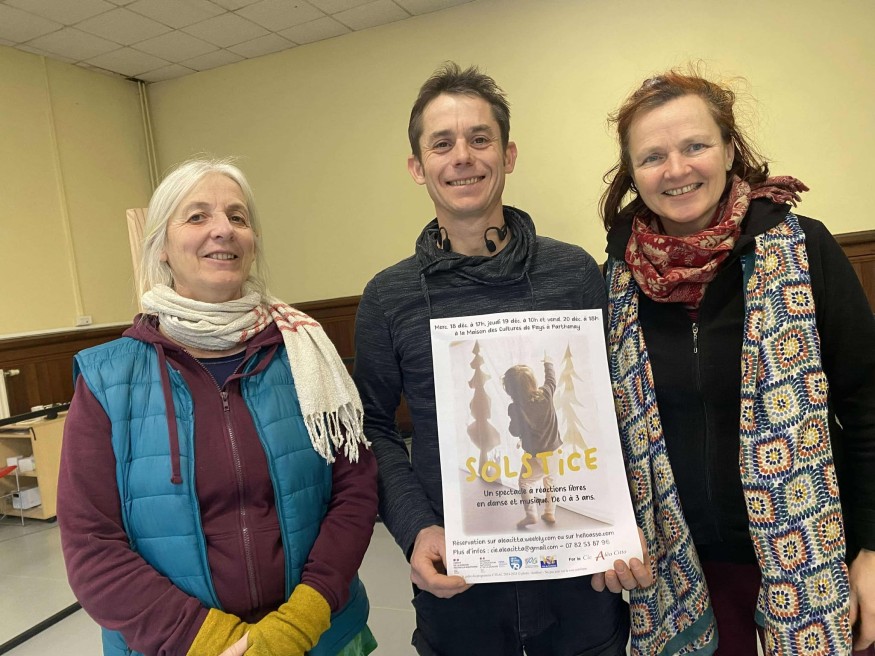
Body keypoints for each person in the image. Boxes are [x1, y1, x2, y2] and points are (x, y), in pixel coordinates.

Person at [353, 62, 651, 656]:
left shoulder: (574, 274)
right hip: (460, 585)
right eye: (442, 144)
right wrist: (415, 529)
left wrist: (626, 521)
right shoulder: (389, 296)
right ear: (417, 167)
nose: (462, 157)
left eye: (479, 139)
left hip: (581, 580)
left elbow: (621, 406)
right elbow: (372, 426)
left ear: (508, 155)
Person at [601, 69, 875, 655]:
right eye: (653, 156)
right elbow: (598, 432)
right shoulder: (615, 281)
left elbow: (868, 404)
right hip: (677, 572)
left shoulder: (803, 248)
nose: (676, 169)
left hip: (814, 558)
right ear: (633, 173)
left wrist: (873, 551)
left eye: (695, 145)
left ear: (729, 150)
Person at [57, 158, 378, 656]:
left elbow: (353, 491)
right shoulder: (106, 379)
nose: (223, 229)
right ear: (162, 247)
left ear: (253, 242)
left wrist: (296, 626)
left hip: (320, 635)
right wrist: (209, 641)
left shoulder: (309, 355)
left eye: (238, 216)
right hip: (172, 645)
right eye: (197, 216)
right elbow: (90, 542)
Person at [502, 358, 560, 528]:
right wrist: (548, 363)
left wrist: (514, 421)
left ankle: (531, 514)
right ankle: (550, 512)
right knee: (550, 481)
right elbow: (551, 379)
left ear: (511, 390)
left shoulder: (515, 408)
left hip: (536, 455)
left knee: (525, 482)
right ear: (533, 382)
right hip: (555, 450)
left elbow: (515, 431)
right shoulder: (546, 394)